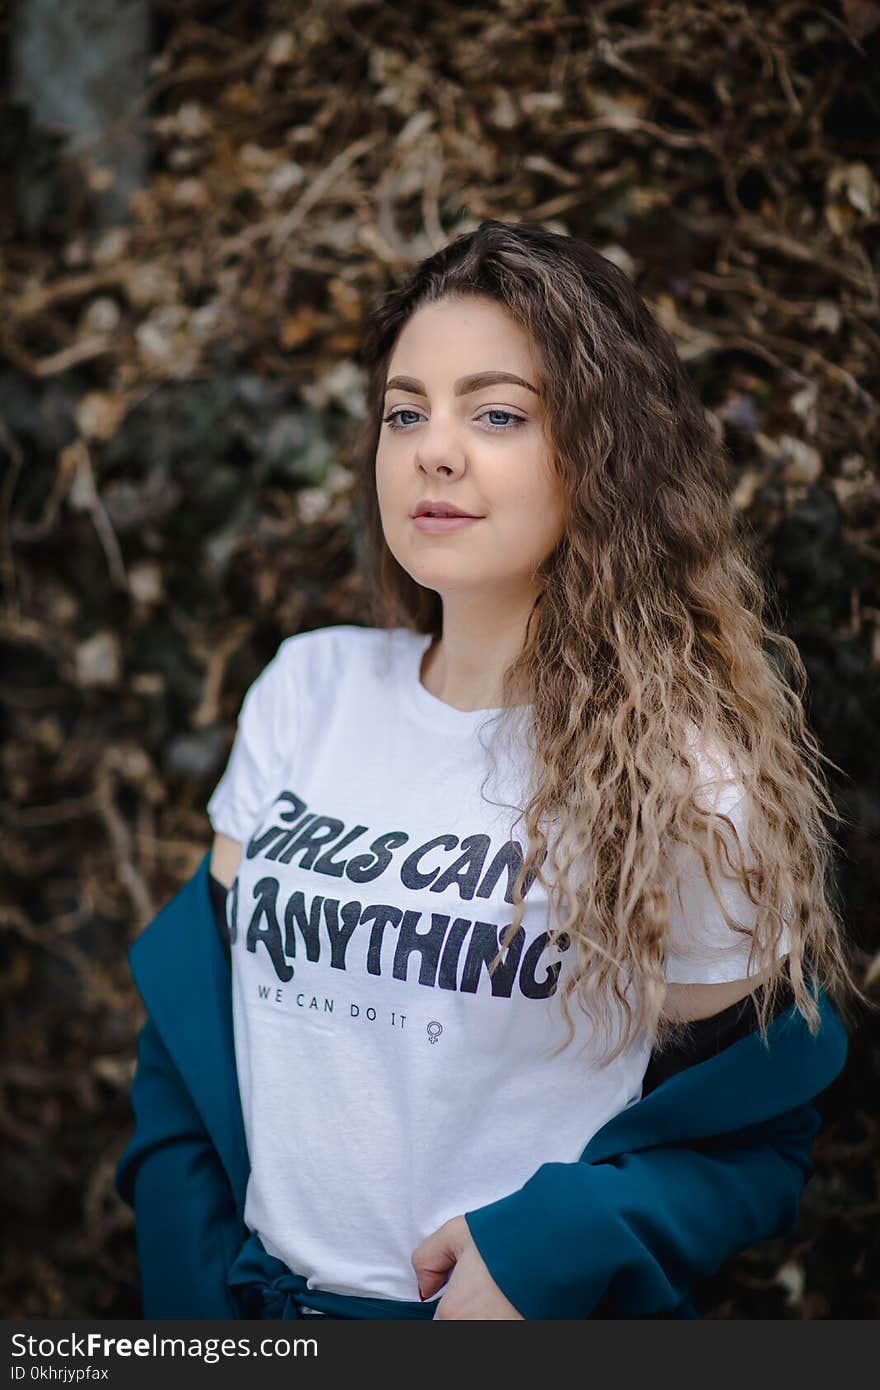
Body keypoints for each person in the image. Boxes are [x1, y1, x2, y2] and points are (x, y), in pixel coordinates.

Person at [115, 219, 867, 1321]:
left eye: (498, 412)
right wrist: (192, 1303)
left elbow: (749, 1135)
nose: (434, 448)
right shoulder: (304, 693)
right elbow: (190, 1042)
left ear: (602, 452)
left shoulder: (686, 781)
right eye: (405, 411)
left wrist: (548, 1251)